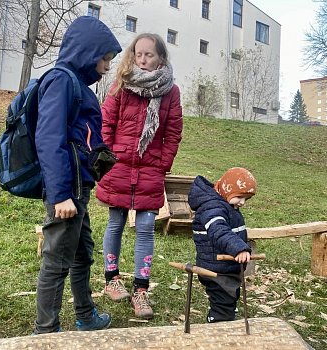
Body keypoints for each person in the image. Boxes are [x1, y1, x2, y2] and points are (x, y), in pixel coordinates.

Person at [33, 16, 122, 334]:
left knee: (82, 253)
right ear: (89, 52)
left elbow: (79, 137)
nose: (107, 66)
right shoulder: (61, 80)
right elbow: (48, 138)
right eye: (106, 58)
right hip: (67, 191)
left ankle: (85, 315)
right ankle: (45, 332)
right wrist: (60, 195)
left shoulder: (78, 85)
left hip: (79, 188)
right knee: (56, 260)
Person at [95, 33, 183, 319]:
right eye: (139, 54)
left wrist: (162, 164)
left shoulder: (171, 92)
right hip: (119, 166)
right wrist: (108, 158)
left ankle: (141, 290)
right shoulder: (122, 85)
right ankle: (112, 279)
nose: (143, 59)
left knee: (145, 227)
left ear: (161, 58)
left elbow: (173, 132)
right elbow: (106, 123)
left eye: (150, 55)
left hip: (150, 169)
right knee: (116, 221)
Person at [188, 167, 257, 323]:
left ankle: (227, 314)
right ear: (227, 189)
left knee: (229, 295)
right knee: (222, 301)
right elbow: (219, 231)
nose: (243, 202)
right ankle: (218, 324)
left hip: (226, 266)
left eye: (247, 199)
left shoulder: (225, 204)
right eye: (239, 197)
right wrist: (238, 248)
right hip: (215, 268)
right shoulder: (213, 208)